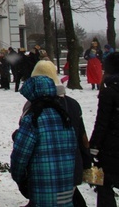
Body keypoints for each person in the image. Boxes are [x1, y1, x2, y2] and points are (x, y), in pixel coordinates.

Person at [31, 60, 91, 207]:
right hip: (72, 164)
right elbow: (82, 137)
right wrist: (86, 162)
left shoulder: (35, 107)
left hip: (45, 169)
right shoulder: (72, 104)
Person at [11, 75, 76, 206]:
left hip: (42, 186)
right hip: (66, 185)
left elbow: (20, 156)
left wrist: (21, 180)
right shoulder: (64, 117)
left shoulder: (33, 119)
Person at [90, 51, 119, 207]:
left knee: (102, 184)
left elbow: (102, 122)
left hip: (111, 147)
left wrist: (93, 146)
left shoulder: (108, 92)